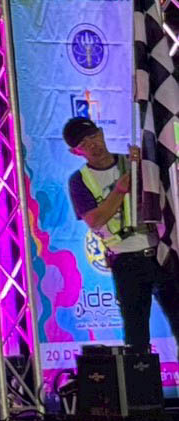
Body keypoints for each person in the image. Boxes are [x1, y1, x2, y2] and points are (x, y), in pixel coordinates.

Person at [62, 117, 179, 353]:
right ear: (76, 152)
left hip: (160, 251)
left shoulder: (133, 162)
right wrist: (119, 190)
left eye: (94, 136)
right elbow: (95, 220)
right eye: (84, 144)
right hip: (126, 260)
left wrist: (147, 164)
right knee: (136, 335)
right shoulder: (79, 180)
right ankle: (141, 374)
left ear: (102, 133)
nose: (93, 144)